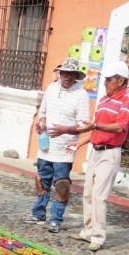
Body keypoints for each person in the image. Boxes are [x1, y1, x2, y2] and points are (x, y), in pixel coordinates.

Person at [66, 60, 129, 251]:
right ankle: (88, 230)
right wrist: (80, 142)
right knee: (87, 192)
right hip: (96, 150)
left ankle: (98, 235)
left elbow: (120, 127)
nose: (105, 83)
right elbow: (94, 128)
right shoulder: (104, 100)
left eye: (109, 80)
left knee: (99, 195)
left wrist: (95, 126)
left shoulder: (126, 100)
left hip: (110, 152)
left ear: (121, 81)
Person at [22, 57, 90, 233]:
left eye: (71, 74)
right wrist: (41, 123)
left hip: (65, 148)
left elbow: (83, 126)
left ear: (76, 76)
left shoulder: (81, 95)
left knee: (61, 184)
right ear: (60, 74)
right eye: (65, 73)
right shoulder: (51, 88)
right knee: (41, 180)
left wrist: (65, 129)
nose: (67, 77)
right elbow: (42, 112)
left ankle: (56, 219)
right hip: (46, 145)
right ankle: (38, 213)